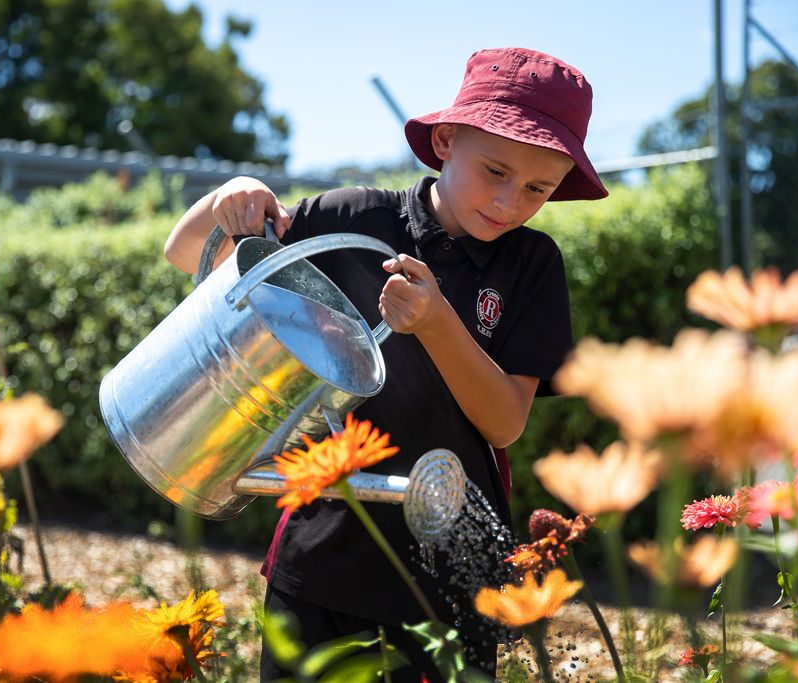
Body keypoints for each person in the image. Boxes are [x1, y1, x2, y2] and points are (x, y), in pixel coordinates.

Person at [163, 46, 608, 681]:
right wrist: (226, 201)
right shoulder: (350, 220)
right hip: (321, 559)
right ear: (448, 139)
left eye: (538, 188)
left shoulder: (532, 265)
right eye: (495, 171)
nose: (510, 202)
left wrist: (436, 324)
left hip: (452, 571)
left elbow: (504, 424)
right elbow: (189, 257)